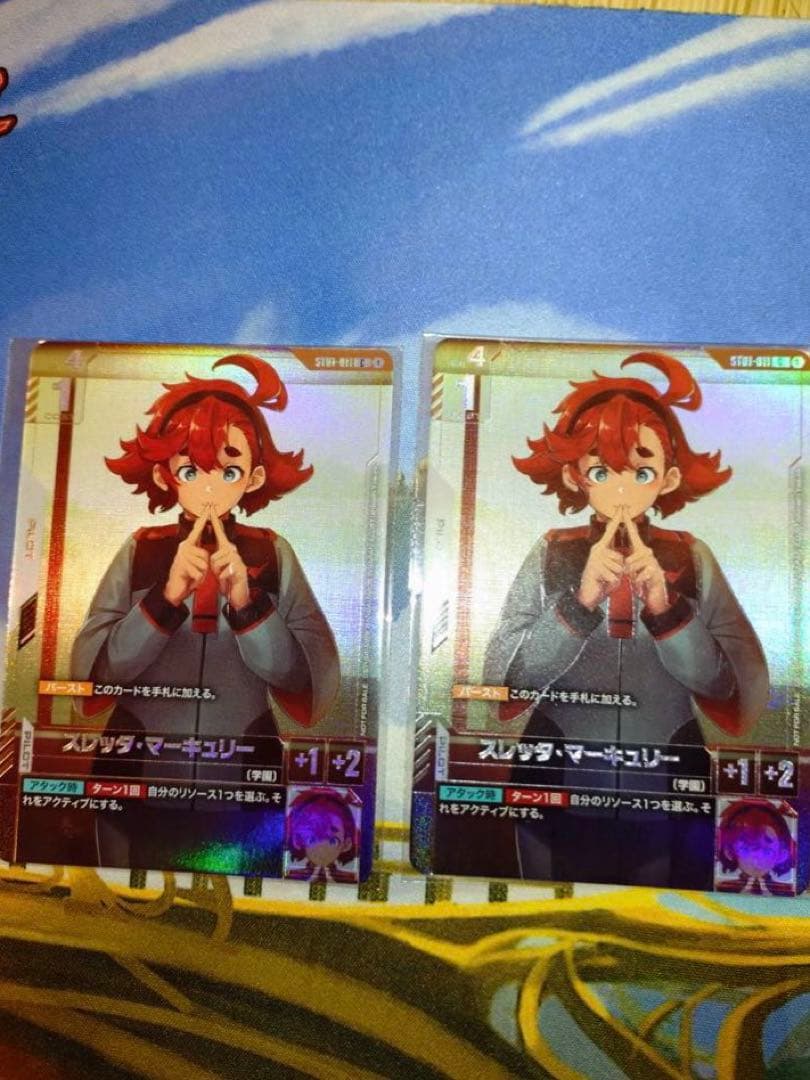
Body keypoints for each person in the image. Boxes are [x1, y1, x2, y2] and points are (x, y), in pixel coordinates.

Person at [483, 351, 769, 887]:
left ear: (668, 477)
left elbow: (729, 686)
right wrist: (578, 603)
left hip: (667, 782)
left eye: (640, 471)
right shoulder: (551, 551)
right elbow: (501, 682)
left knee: (655, 921)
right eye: (600, 470)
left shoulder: (691, 556)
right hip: (555, 779)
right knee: (543, 911)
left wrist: (665, 607)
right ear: (574, 474)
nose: (619, 488)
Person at [69, 353, 340, 867]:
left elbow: (306, 678)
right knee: (125, 896)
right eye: (191, 470)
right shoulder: (142, 549)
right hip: (135, 773)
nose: (210, 488)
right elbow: (94, 674)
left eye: (229, 469)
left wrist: (247, 603)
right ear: (165, 473)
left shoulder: (272, 553)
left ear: (254, 477)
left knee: (247, 897)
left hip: (243, 778)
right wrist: (164, 598)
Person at [284, 788, 359, 883]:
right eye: (312, 840)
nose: (322, 848)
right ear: (297, 840)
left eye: (333, 841)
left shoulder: (350, 878)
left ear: (346, 844)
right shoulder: (292, 875)